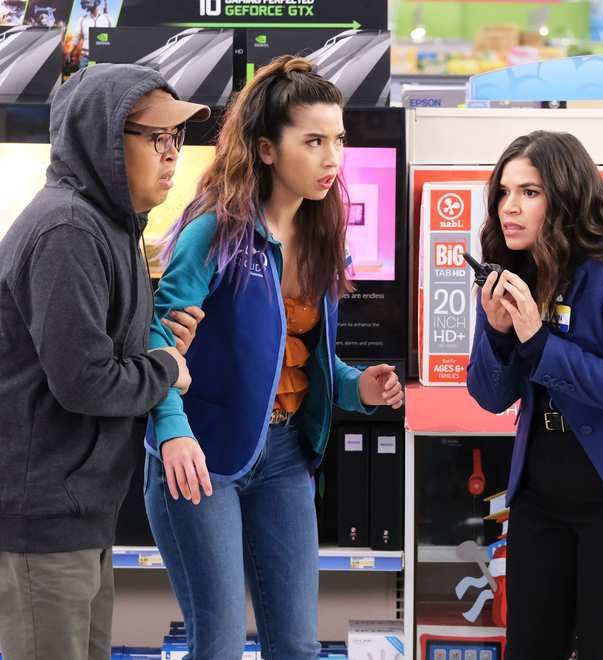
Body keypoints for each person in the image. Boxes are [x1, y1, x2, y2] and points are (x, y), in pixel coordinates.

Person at [144, 55, 404, 660]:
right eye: (313, 141)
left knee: (296, 645)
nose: (332, 158)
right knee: (221, 646)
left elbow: (301, 364)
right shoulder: (214, 231)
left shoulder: (320, 236)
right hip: (201, 456)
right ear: (265, 149)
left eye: (337, 140)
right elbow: (158, 340)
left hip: (286, 460)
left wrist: (359, 386)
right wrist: (174, 432)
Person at [0, 63, 210, 660]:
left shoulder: (112, 225)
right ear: (104, 140)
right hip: (43, 524)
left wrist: (158, 342)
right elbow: (84, 382)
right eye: (156, 138)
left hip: (79, 513)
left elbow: (96, 349)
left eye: (178, 139)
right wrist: (166, 368)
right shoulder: (67, 231)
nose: (172, 155)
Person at [466, 130, 603, 660]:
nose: (510, 208)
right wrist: (500, 333)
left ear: (567, 194)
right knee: (530, 645)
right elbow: (488, 394)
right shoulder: (512, 263)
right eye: (504, 192)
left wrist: (538, 340)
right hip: (540, 497)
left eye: (529, 192)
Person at [72, 0, 114, 68]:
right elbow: (75, 38)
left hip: (101, 58)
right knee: (84, 77)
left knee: (100, 78)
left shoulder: (107, 19)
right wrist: (69, 52)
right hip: (85, 57)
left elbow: (113, 37)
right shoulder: (82, 19)